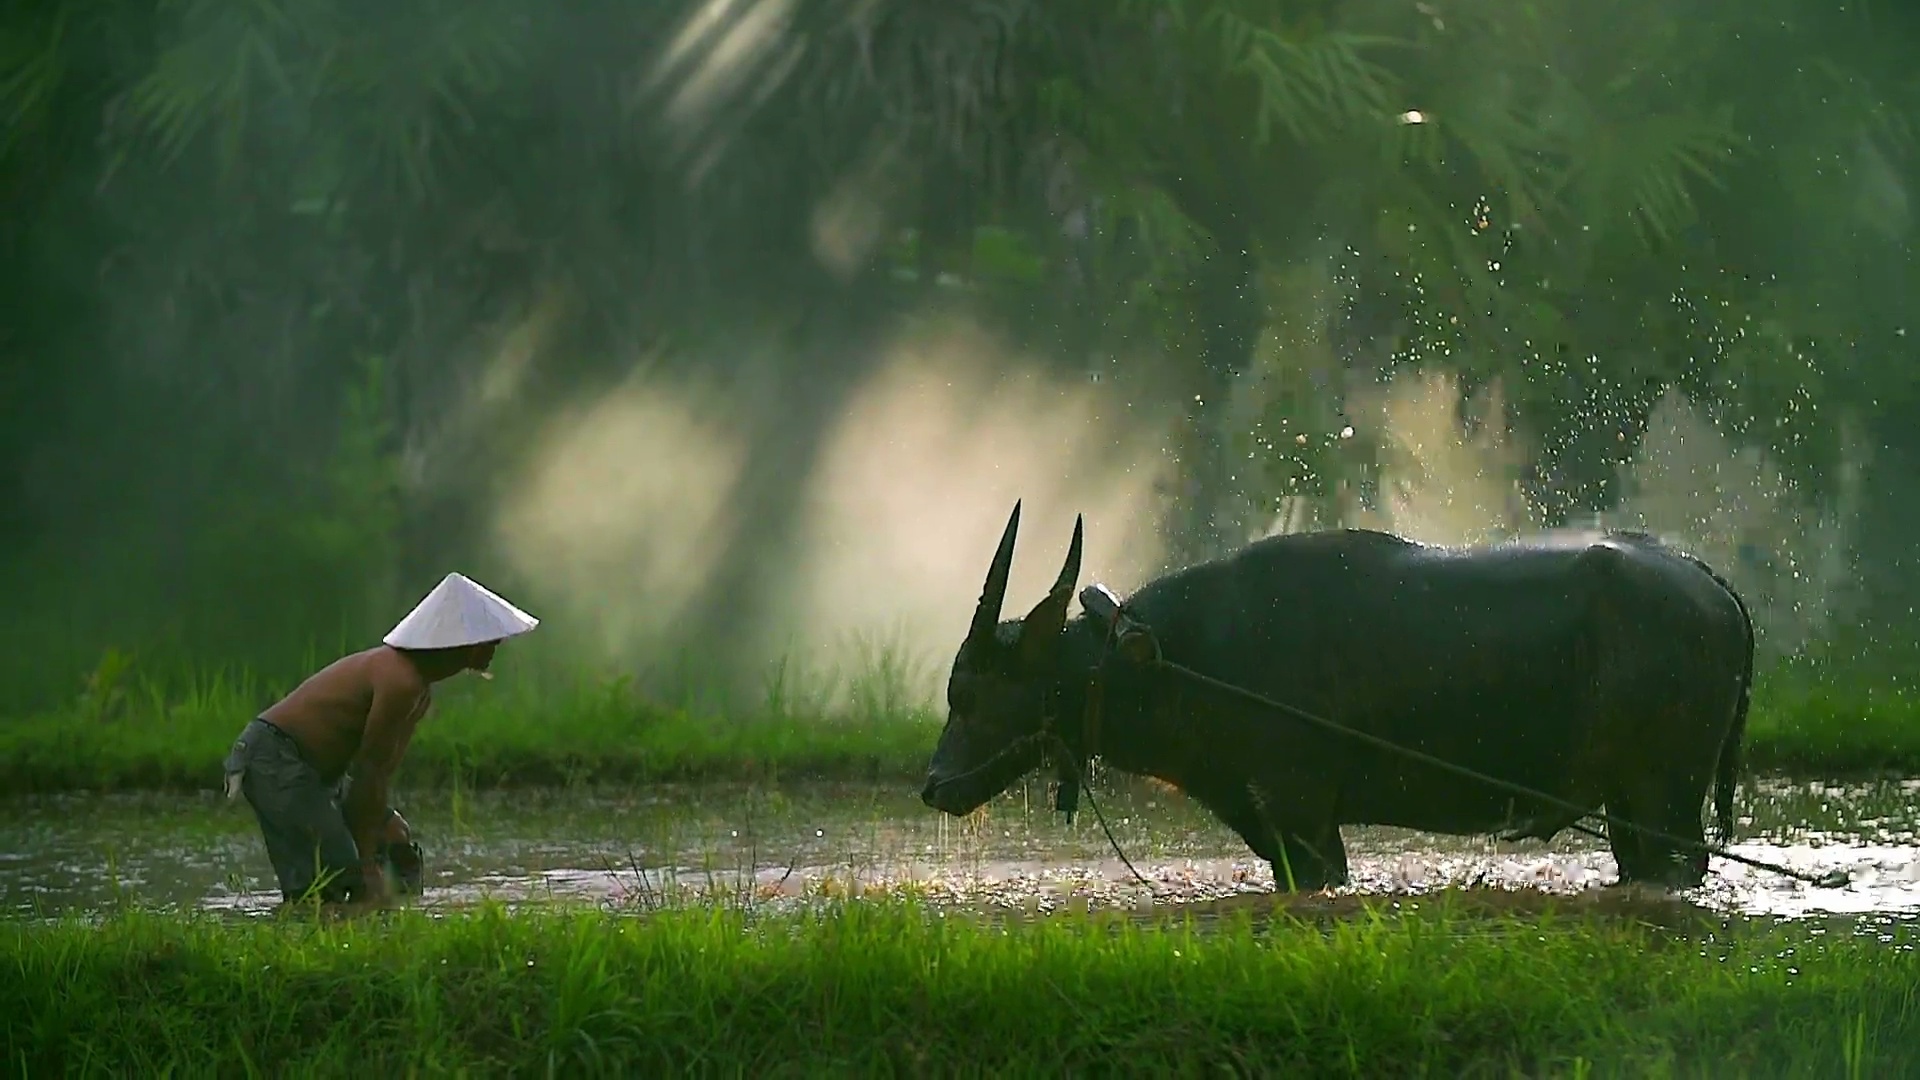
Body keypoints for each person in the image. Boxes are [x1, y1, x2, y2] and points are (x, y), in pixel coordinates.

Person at [222, 571, 539, 908]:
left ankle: (380, 922)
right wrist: (366, 860)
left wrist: (374, 843)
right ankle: (319, 923)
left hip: (320, 773)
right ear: (458, 640)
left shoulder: (418, 691)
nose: (494, 647)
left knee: (396, 840)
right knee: (340, 875)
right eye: (487, 640)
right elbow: (368, 771)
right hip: (276, 758)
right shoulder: (399, 680)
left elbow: (380, 772)